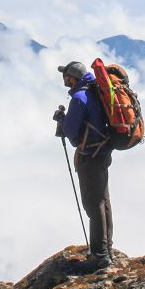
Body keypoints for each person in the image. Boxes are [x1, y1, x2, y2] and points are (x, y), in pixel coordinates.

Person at [54, 60, 114, 268]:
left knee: (92, 204)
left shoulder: (79, 98)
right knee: (103, 200)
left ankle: (99, 256)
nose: (64, 80)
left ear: (72, 78)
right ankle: (107, 249)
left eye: (66, 76)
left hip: (90, 155)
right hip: (103, 153)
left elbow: (71, 131)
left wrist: (61, 119)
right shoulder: (93, 93)